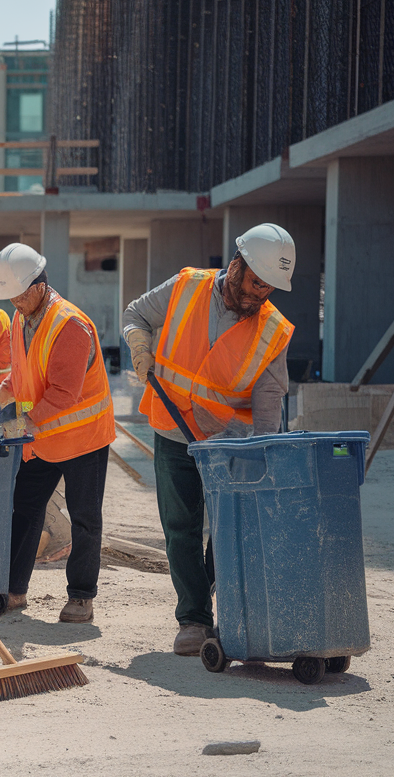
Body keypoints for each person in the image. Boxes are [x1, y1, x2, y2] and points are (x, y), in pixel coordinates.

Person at [123, 223, 295, 656]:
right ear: (238, 265)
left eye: (270, 288)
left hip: (227, 442)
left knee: (227, 526)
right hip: (172, 428)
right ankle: (194, 618)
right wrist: (140, 347)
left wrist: (262, 452)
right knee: (180, 527)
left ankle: (220, 595)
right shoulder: (186, 287)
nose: (260, 294)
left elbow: (269, 398)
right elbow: (135, 314)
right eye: (257, 282)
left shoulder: (272, 329)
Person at [0, 243, 115, 624]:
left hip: (83, 438)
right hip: (46, 437)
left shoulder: (69, 325)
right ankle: (14, 590)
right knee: (25, 505)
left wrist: (16, 426)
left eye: (19, 295)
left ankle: (81, 597)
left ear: (39, 285)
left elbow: (63, 394)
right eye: (10, 297)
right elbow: (23, 376)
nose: (14, 303)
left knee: (85, 518)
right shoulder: (23, 318)